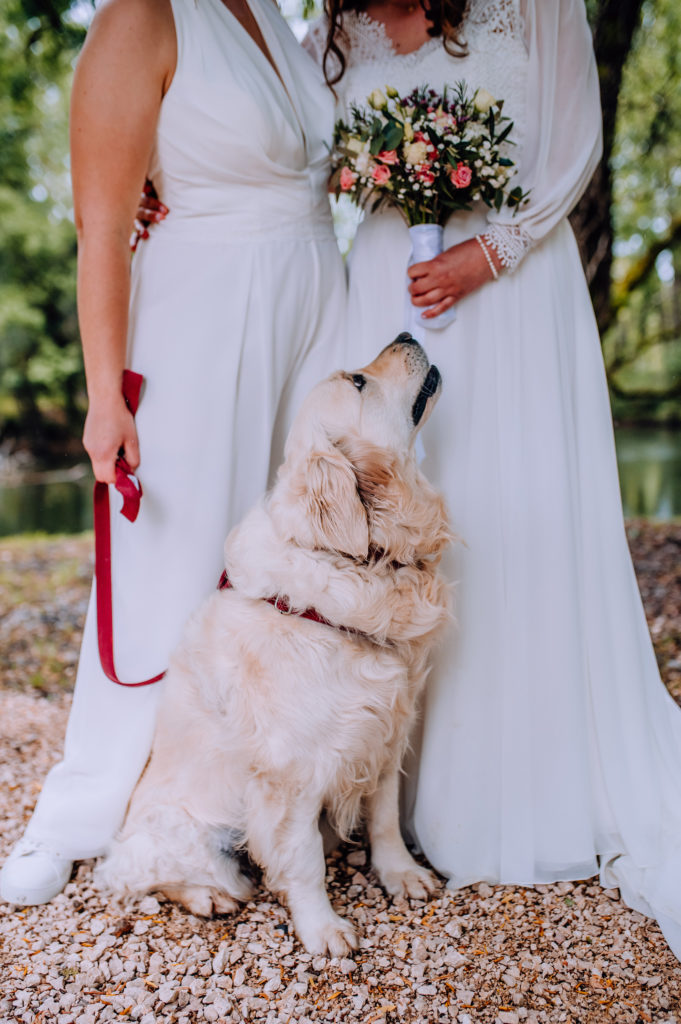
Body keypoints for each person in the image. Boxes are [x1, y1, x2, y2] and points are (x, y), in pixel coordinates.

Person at [303, 0, 681, 957]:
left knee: (513, 519)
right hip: (389, 284)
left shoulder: (534, 6)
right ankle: (385, 789)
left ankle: (526, 779)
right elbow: (286, 138)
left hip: (513, 293)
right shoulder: (332, 33)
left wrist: (491, 250)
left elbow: (575, 140)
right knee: (400, 528)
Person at [0, 0, 346, 905]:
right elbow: (102, 226)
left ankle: (247, 794)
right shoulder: (140, 16)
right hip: (203, 317)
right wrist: (106, 395)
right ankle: (81, 809)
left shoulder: (273, 13)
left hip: (315, 303)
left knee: (286, 567)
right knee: (171, 563)